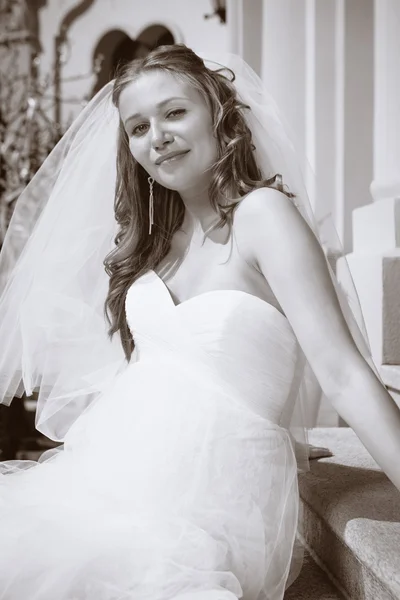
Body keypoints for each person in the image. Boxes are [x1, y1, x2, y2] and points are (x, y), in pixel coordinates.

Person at [0, 44, 399, 600]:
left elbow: (342, 370)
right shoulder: (155, 248)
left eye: (174, 112)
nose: (156, 135)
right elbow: (183, 373)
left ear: (217, 114)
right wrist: (290, 437)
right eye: (137, 127)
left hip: (202, 511)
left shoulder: (263, 216)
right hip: (113, 475)